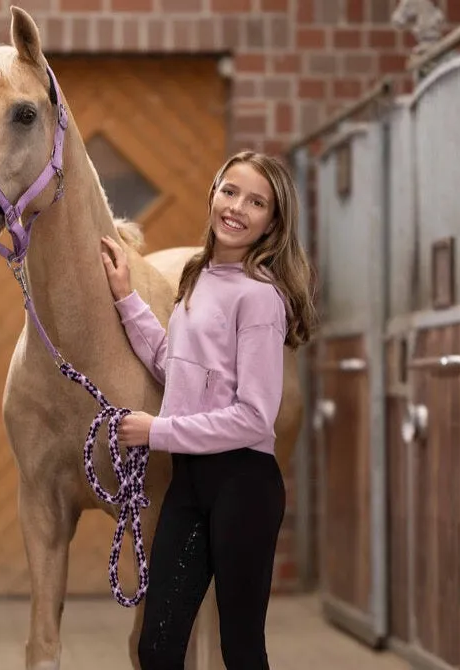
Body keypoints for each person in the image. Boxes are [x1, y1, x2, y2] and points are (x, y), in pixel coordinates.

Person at [101, 150, 317, 670]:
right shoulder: (199, 278)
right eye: (230, 191)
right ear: (213, 193)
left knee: (240, 650)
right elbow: (171, 364)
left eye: (257, 201)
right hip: (190, 484)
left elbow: (254, 417)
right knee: (157, 647)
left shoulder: (260, 298)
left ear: (273, 221)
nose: (238, 207)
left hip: (243, 484)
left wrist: (158, 431)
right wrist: (127, 297)